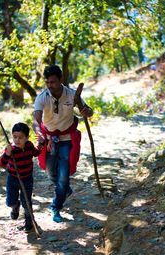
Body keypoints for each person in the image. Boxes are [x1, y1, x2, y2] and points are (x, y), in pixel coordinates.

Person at [33, 64, 93, 223]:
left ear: (61, 79)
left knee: (63, 175)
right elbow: (36, 119)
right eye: (47, 82)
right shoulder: (42, 97)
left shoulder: (73, 95)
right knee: (51, 172)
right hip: (49, 140)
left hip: (67, 139)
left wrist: (87, 112)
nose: (50, 86)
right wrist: (38, 130)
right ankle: (65, 190)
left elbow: (87, 110)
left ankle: (55, 206)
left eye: (52, 82)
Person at [0, 122, 43, 232]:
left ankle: (29, 222)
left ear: (27, 137)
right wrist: (7, 154)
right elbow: (2, 164)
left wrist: (42, 143)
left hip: (27, 179)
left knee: (27, 201)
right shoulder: (11, 149)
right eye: (15, 137)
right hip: (13, 179)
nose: (17, 140)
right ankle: (15, 207)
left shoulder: (29, 146)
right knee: (10, 202)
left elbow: (36, 153)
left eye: (21, 137)